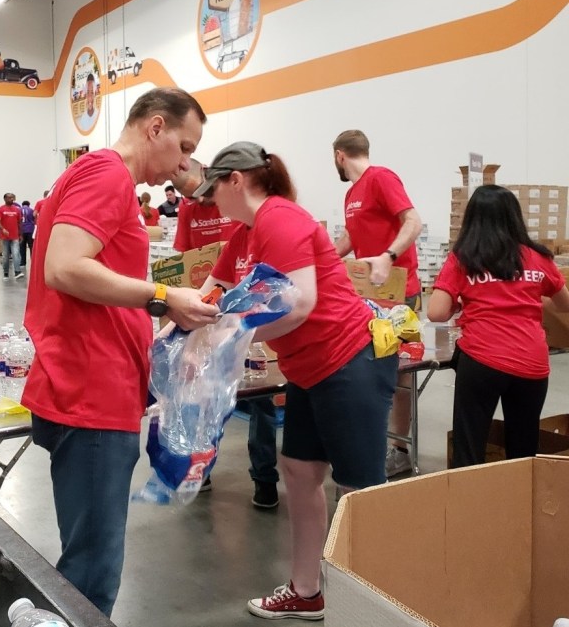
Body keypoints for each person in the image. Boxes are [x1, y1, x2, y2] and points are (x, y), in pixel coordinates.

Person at [21, 87, 219, 618]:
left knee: (89, 562)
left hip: (92, 389)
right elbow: (64, 267)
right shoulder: (107, 174)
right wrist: (160, 297)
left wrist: (158, 321)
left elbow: (94, 282)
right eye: (183, 146)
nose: (184, 164)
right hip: (91, 396)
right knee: (92, 575)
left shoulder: (103, 178)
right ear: (155, 126)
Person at [193, 141, 397, 620]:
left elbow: (298, 304)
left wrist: (227, 338)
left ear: (235, 181)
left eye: (214, 191)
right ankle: (307, 592)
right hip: (307, 368)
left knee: (358, 490)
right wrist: (165, 334)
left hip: (348, 359)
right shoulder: (243, 236)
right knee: (301, 473)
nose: (211, 202)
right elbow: (209, 295)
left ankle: (369, 606)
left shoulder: (279, 219)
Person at [428, 184, 569, 468]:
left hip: (482, 360)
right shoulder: (538, 257)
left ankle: (473, 506)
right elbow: (565, 304)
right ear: (514, 217)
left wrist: (462, 303)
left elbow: (436, 312)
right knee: (524, 448)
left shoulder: (464, 258)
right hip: (532, 363)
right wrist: (531, 299)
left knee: (470, 444)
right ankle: (519, 507)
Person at [175, 158, 279, 507]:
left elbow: (288, 299)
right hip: (223, 326)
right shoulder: (232, 232)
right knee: (205, 394)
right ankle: (202, 466)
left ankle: (265, 477)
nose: (208, 203)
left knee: (261, 399)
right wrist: (183, 326)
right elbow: (207, 281)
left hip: (257, 337)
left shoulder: (270, 226)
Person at [332, 130, 422, 478]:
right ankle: (369, 442)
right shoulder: (352, 192)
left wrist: (389, 255)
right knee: (365, 369)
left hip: (399, 293)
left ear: (339, 155)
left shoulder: (381, 178)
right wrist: (321, 256)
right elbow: (353, 237)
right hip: (368, 296)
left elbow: (413, 221)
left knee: (396, 374)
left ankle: (399, 450)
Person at [0, 193, 23, 280]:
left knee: (16, 254)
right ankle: (6, 273)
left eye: (12, 198)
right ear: (5, 199)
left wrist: (20, 234)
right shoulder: (0, 209)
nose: (11, 199)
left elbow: (19, 223)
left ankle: (17, 272)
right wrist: (3, 229)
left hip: (15, 236)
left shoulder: (17, 210)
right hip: (4, 237)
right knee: (5, 256)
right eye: (9, 198)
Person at [19, 200, 35, 266]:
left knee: (22, 247)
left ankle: (23, 262)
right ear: (29, 205)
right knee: (31, 246)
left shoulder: (19, 210)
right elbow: (34, 218)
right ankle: (33, 261)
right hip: (30, 229)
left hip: (22, 229)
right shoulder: (31, 210)